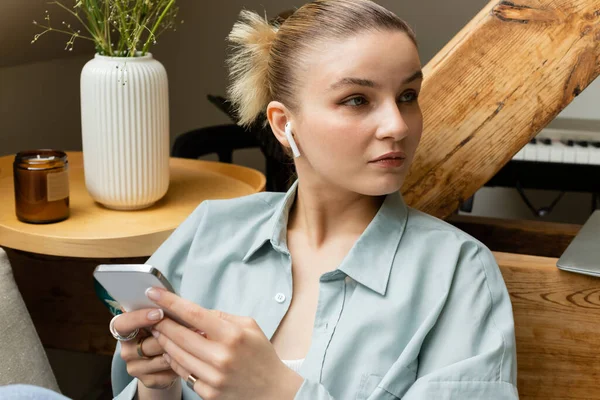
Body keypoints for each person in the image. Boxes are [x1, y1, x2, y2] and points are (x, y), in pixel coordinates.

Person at [110, 0, 519, 399]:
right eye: (357, 99)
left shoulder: (458, 273)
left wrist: (278, 394)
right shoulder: (207, 233)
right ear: (284, 124)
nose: (397, 125)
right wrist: (157, 388)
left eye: (408, 95)